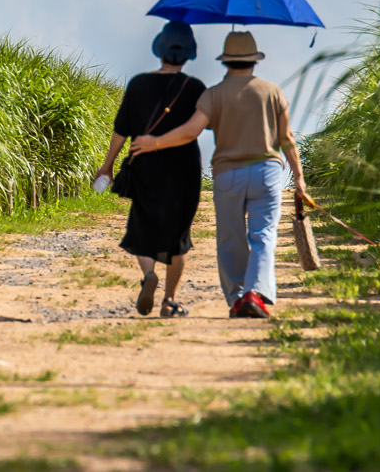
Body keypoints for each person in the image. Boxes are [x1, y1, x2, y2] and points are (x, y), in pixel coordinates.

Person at [130, 29, 311, 318]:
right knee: (263, 235)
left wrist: (155, 142)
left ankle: (238, 298)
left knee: (230, 237)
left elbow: (190, 132)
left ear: (226, 62)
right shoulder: (272, 91)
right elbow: (287, 137)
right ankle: (256, 292)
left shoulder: (213, 95)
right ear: (254, 61)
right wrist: (299, 178)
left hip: (228, 175)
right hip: (266, 172)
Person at [94, 20, 206, 318]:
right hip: (183, 170)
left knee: (142, 226)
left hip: (144, 165)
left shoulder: (139, 83)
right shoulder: (195, 88)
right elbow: (198, 129)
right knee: (179, 237)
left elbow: (121, 130)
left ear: (159, 49)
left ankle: (148, 276)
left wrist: (107, 166)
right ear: (189, 54)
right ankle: (169, 301)